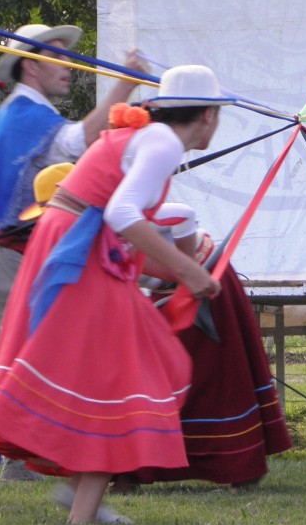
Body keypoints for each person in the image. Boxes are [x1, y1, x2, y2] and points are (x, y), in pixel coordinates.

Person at [0, 65, 235, 525]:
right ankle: (82, 511)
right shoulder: (163, 142)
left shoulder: (146, 138)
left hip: (76, 244)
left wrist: (178, 272)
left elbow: (117, 221)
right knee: (124, 375)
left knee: (116, 370)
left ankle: (79, 496)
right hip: (78, 249)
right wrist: (189, 271)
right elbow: (122, 213)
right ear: (209, 115)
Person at [0, 24, 139, 480]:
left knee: (33, 355)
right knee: (21, 358)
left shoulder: (15, 115)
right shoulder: (23, 114)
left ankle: (20, 461)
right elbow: (81, 142)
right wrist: (126, 83)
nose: (70, 69)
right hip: (13, 254)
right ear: (31, 64)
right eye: (58, 58)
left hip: (18, 254)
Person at [120, 204, 292, 488]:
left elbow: (183, 215)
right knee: (151, 383)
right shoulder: (76, 237)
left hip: (207, 281)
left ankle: (240, 463)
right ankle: (133, 470)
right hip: (165, 292)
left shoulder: (117, 213)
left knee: (214, 378)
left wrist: (188, 273)